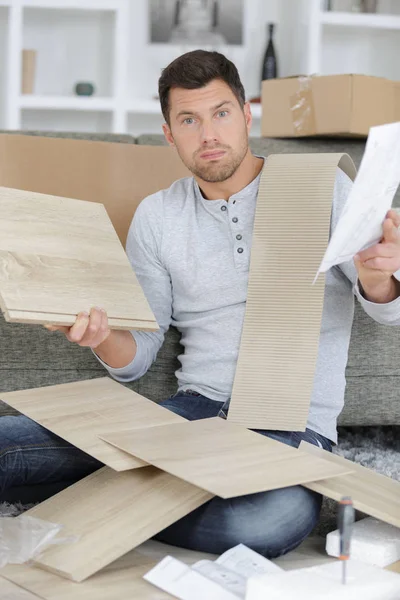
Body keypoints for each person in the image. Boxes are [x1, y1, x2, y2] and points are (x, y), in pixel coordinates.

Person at [1, 50, 400, 558]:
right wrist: (103, 337)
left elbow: (391, 310)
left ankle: (94, 490)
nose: (208, 134)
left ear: (245, 114)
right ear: (170, 133)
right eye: (189, 120)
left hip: (289, 425)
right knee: (7, 443)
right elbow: (139, 356)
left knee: (263, 522)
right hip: (190, 415)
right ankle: (137, 484)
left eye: (221, 113)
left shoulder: (323, 188)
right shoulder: (158, 215)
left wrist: (376, 279)